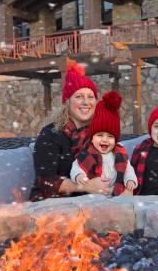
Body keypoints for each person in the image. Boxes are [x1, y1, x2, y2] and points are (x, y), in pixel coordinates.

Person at [31, 60, 111, 200]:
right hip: (53, 204)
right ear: (67, 102)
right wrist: (84, 186)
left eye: (90, 97)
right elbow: (45, 180)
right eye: (79, 96)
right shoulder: (50, 134)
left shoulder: (101, 134)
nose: (86, 102)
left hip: (95, 204)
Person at [70, 91, 138, 196]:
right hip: (95, 195)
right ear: (92, 138)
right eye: (100, 135)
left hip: (116, 194)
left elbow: (128, 169)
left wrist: (130, 180)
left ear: (115, 140)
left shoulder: (120, 154)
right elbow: (76, 167)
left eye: (110, 136)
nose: (105, 140)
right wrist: (78, 176)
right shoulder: (87, 153)